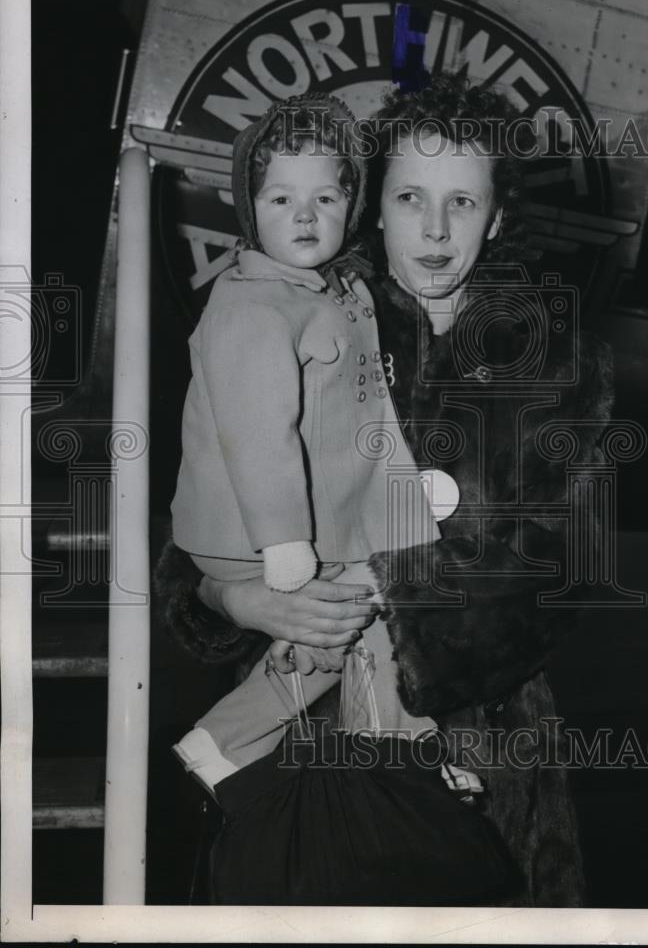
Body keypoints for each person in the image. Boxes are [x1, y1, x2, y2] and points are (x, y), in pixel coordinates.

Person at [155, 71, 614, 906]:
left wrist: (392, 582)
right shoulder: (312, 309)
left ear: (498, 215)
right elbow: (208, 502)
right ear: (373, 205)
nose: (434, 230)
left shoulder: (554, 359)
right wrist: (235, 599)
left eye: (463, 203)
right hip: (290, 712)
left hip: (482, 739)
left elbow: (562, 570)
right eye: (410, 196)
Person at [169, 92, 445, 792]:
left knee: (354, 620)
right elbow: (259, 432)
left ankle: (230, 743)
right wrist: (278, 548)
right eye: (279, 197)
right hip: (258, 532)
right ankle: (389, 757)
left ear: (351, 208)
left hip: (327, 529)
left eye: (325, 198)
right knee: (358, 606)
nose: (303, 215)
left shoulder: (334, 292)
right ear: (248, 207)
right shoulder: (252, 304)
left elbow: (363, 416)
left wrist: (410, 497)